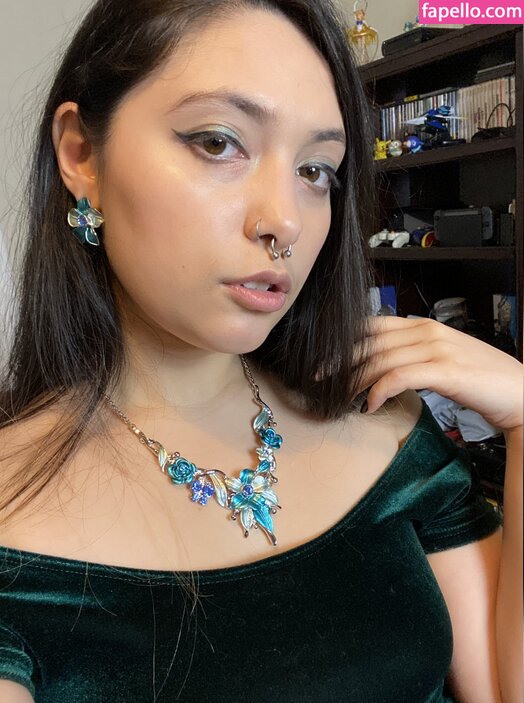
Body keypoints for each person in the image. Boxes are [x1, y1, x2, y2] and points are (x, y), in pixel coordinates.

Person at [0, 1, 522, 701]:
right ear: (81, 155)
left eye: (317, 171)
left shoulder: (390, 430)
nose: (284, 220)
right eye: (219, 142)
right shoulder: (16, 530)